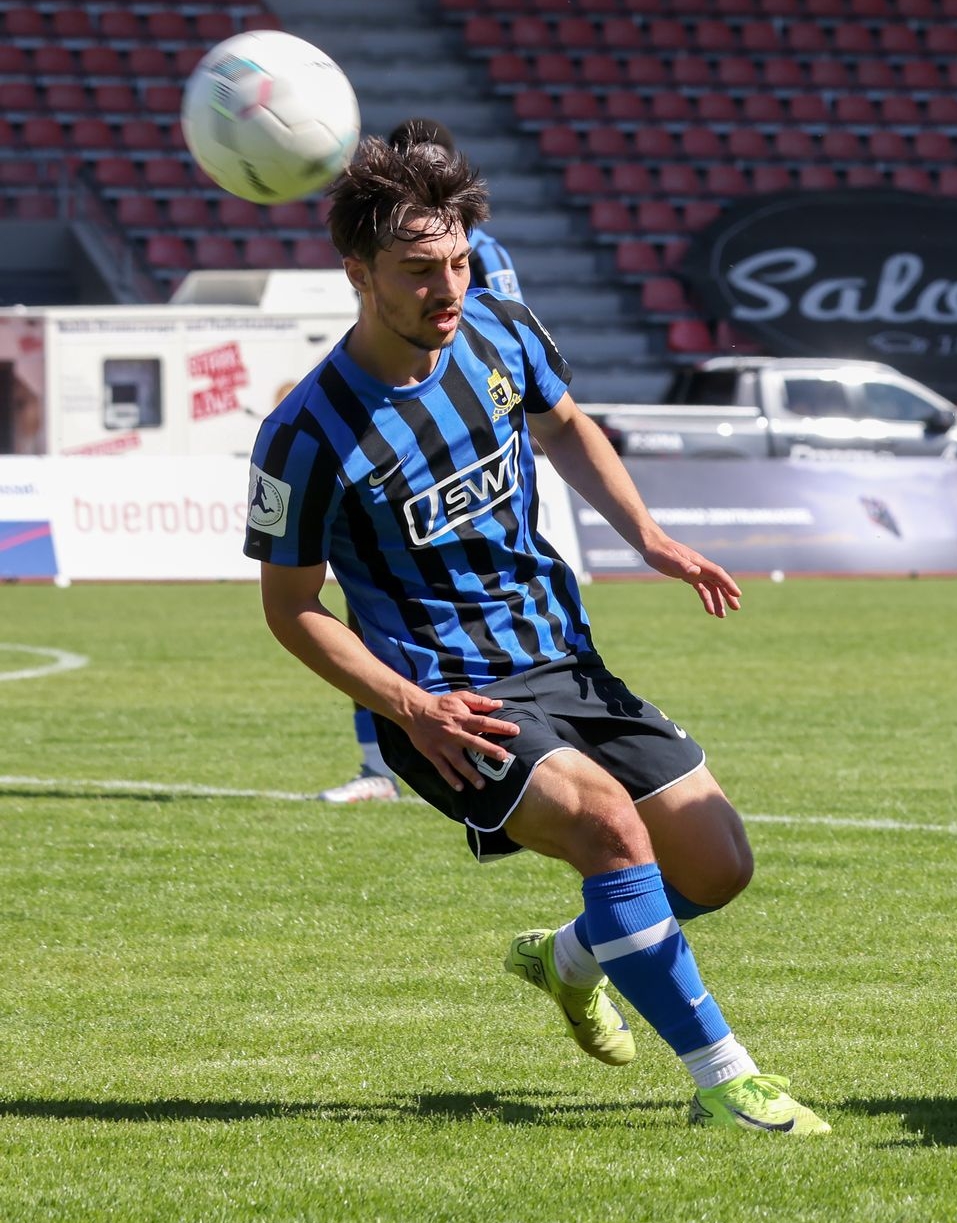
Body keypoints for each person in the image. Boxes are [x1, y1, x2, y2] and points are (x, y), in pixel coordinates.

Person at [245, 135, 829, 1135]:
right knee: (609, 828)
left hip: (563, 657)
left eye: (458, 261)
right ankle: (727, 1081)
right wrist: (409, 707)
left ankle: (569, 957)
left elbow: (564, 425)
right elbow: (291, 607)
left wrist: (648, 536)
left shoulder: (500, 330)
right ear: (358, 274)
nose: (447, 289)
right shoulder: (306, 434)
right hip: (448, 702)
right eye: (418, 270)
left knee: (716, 864)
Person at [320, 117, 524, 804]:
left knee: (468, 595)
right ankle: (380, 764)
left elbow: (506, 327)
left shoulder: (479, 251)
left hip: (468, 441)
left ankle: (502, 732)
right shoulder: (393, 243)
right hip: (405, 434)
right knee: (370, 607)